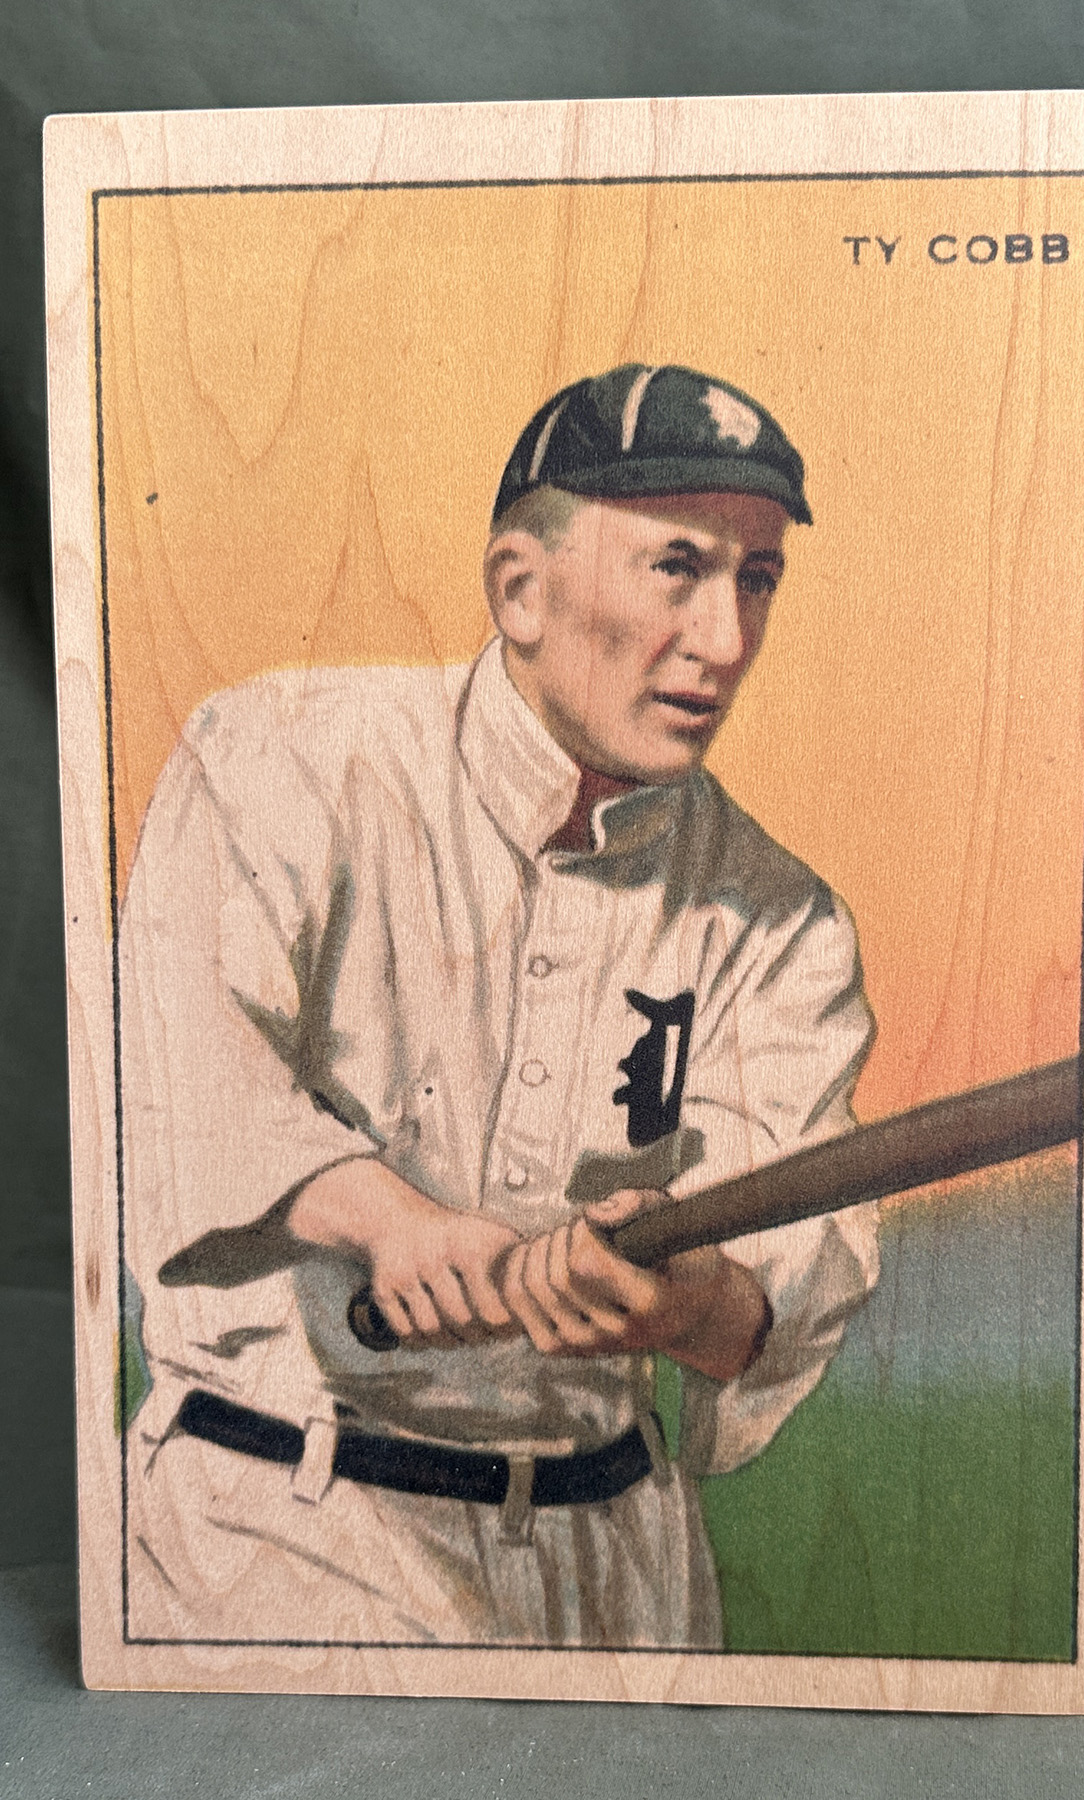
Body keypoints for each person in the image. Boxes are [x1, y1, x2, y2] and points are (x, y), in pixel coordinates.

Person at [122, 363, 878, 1649]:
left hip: (616, 1558)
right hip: (280, 1515)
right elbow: (170, 1088)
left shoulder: (779, 917)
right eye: (678, 568)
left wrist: (682, 1298)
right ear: (520, 589)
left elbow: (789, 1287)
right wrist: (386, 1218)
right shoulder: (282, 754)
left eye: (756, 580)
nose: (725, 641)